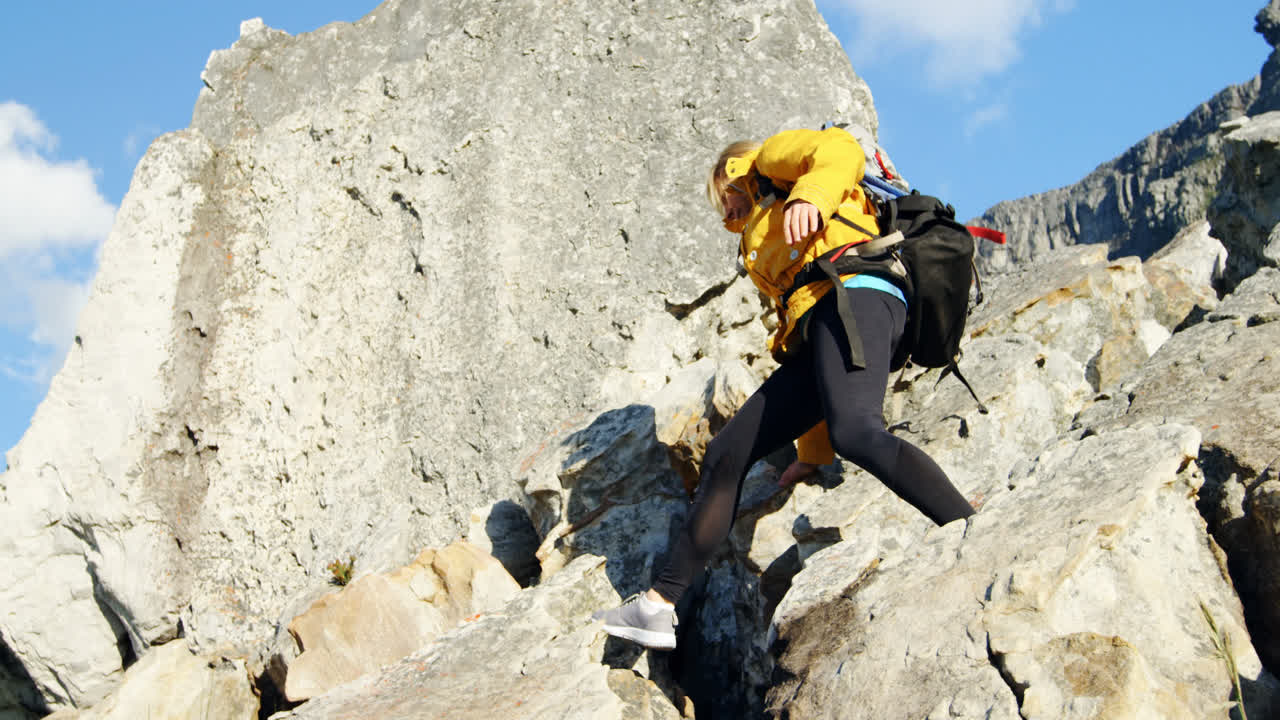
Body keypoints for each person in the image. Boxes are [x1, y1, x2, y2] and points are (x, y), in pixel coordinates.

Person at [592, 125, 975, 650]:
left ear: (731, 180)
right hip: (825, 316)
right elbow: (820, 371)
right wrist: (812, 455)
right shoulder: (764, 236)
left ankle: (973, 528)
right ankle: (657, 607)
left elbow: (840, 150)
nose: (725, 214)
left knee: (859, 433)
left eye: (723, 202)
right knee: (729, 451)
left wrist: (811, 196)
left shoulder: (771, 162)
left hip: (858, 290)